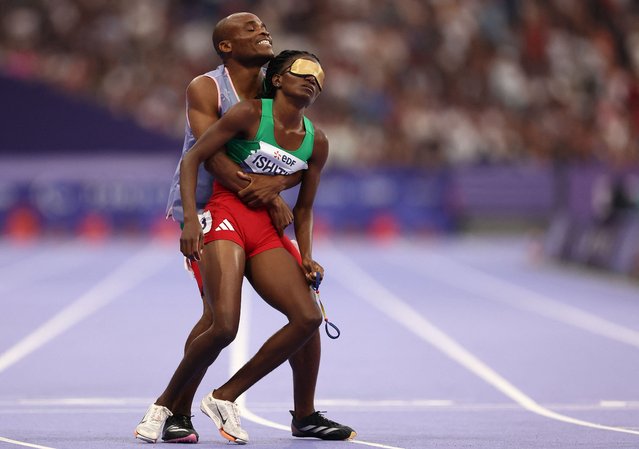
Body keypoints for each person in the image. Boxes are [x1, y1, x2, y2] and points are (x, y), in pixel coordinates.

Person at [134, 13, 354, 444]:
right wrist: (272, 194)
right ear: (227, 47)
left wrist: (281, 185)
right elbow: (210, 155)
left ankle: (304, 414)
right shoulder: (209, 88)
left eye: (264, 27)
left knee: (305, 309)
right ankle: (175, 410)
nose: (264, 31)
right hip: (207, 205)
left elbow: (293, 162)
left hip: (259, 211)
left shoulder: (278, 91)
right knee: (219, 318)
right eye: (251, 29)